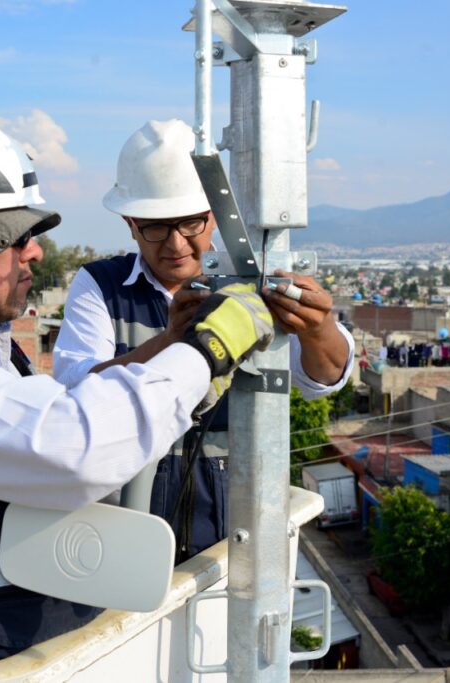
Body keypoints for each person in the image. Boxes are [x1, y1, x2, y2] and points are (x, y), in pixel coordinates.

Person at [0, 113, 274, 664]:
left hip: (7, 651)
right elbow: (75, 445)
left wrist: (180, 348)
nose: (35, 252)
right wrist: (207, 350)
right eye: (16, 238)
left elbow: (67, 411)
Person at [54, 119, 355, 560]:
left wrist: (317, 328)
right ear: (130, 223)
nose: (176, 244)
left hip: (232, 537)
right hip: (126, 533)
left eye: (190, 224)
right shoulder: (101, 285)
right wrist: (170, 341)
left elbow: (325, 378)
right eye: (156, 227)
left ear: (213, 215)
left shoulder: (250, 283)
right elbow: (75, 390)